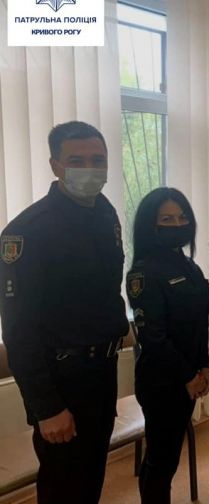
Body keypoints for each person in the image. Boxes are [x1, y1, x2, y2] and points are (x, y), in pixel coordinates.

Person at [0, 121, 129, 503]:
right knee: (62, 488)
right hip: (62, 381)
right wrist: (47, 407)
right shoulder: (27, 231)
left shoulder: (105, 213)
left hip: (101, 374)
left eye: (98, 160)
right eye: (77, 160)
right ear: (55, 165)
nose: (89, 169)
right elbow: (18, 331)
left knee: (90, 482)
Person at [126, 188, 209, 504]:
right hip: (162, 382)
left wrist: (205, 366)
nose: (177, 224)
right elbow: (154, 338)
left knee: (169, 457)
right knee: (161, 462)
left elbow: (199, 324)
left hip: (190, 376)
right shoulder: (143, 272)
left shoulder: (189, 266)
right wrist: (189, 376)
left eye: (182, 217)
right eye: (167, 219)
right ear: (151, 225)